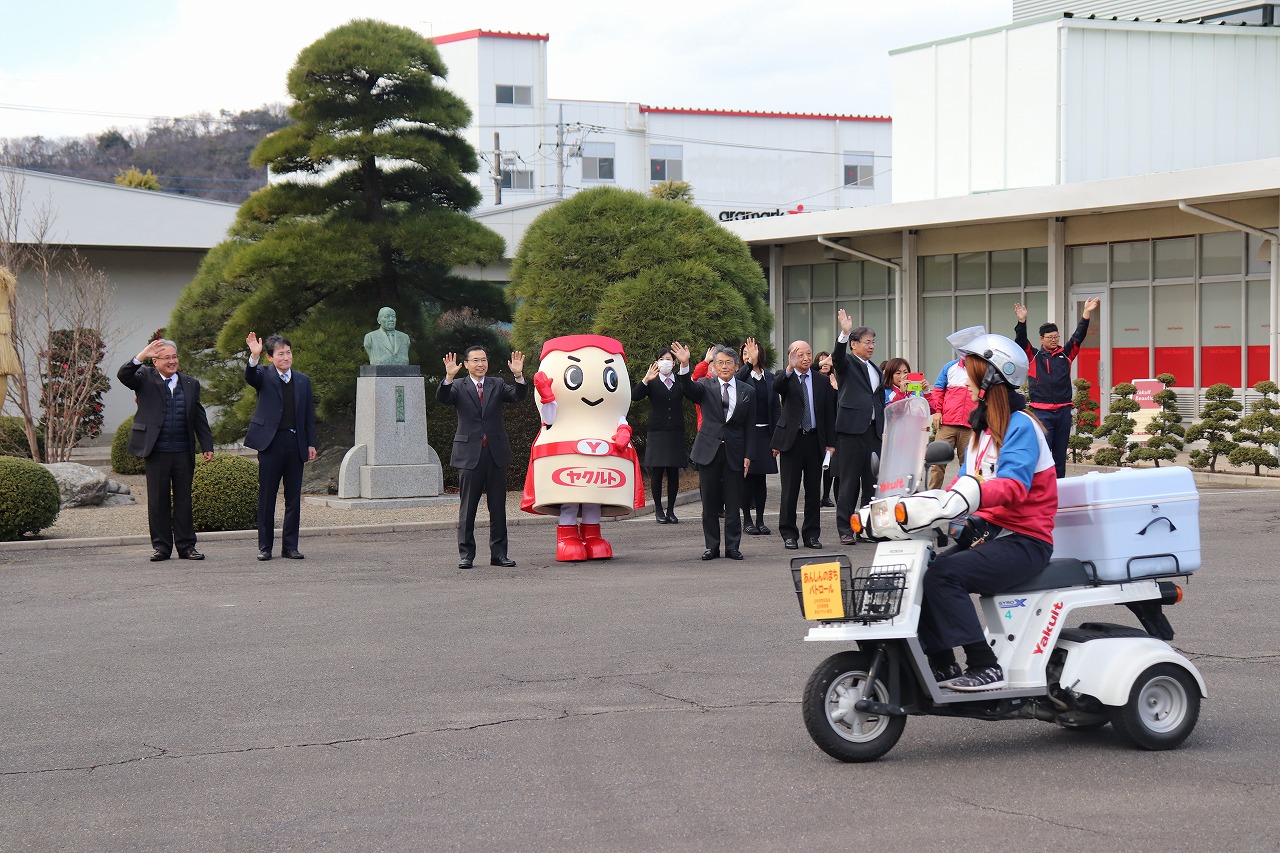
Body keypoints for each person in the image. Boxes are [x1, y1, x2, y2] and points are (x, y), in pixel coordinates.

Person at [916, 333, 1058, 691]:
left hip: (1025, 540)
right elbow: (964, 485)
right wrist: (929, 505)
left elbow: (1013, 487)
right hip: (990, 533)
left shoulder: (1021, 426)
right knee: (922, 570)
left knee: (945, 575)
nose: (965, 375)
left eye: (972, 370)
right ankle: (942, 663)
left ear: (992, 378)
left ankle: (984, 665)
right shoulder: (980, 432)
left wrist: (970, 493)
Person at [117, 338, 214, 562]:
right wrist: (142, 354)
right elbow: (124, 375)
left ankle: (187, 546)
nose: (172, 361)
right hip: (156, 451)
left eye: (174, 357)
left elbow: (199, 417)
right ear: (155, 361)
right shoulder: (144, 378)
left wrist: (207, 445)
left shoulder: (190, 383)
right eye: (166, 358)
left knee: (184, 500)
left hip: (182, 450)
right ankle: (161, 547)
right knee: (158, 500)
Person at [437, 345, 527, 569]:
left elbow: (518, 395)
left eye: (484, 360)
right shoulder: (458, 385)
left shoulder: (496, 384)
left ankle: (499, 554)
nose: (481, 364)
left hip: (495, 454)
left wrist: (518, 375)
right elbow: (443, 398)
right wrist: (448, 377)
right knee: (468, 509)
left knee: (498, 508)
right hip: (469, 456)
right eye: (475, 360)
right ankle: (466, 555)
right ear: (466, 364)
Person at [672, 341, 753, 561]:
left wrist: (749, 454)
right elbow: (687, 388)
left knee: (733, 502)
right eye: (720, 363)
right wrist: (685, 364)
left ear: (736, 366)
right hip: (708, 450)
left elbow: (750, 426)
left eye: (728, 362)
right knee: (709, 502)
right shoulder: (705, 387)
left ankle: (733, 547)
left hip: (735, 452)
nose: (724, 366)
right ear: (714, 367)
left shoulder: (748, 391)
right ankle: (712, 546)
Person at [244, 333, 317, 562]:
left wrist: (311, 442)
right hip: (271, 443)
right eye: (280, 354)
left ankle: (290, 547)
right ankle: (265, 547)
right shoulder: (263, 375)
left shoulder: (303, 380)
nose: (286, 357)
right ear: (270, 357)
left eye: (288, 352)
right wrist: (253, 357)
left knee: (293, 498)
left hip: (295, 443)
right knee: (267, 497)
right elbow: (250, 376)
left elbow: (308, 415)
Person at [1014, 297, 1099, 478]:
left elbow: (1078, 336)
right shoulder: (1034, 356)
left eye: (1056, 336)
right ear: (1041, 339)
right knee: (1043, 454)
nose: (1054, 340)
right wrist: (1022, 321)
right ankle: (1042, 487)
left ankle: (1060, 489)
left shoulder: (1066, 354)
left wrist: (1086, 314)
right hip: (1042, 412)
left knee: (1060, 455)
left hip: (1063, 412)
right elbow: (1021, 341)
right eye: (1050, 337)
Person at [772, 339, 836, 550]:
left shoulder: (821, 381)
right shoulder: (786, 378)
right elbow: (776, 386)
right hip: (792, 440)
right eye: (800, 355)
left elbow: (828, 414)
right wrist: (789, 367)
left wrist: (830, 443)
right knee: (789, 490)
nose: (806, 358)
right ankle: (789, 533)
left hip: (814, 440)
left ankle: (811, 534)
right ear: (791, 356)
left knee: (812, 490)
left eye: (808, 354)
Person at [832, 311, 884, 546]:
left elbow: (878, 399)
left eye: (873, 342)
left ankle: (866, 527)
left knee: (871, 484)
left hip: (873, 431)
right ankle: (845, 528)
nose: (871, 346)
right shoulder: (847, 363)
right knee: (849, 482)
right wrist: (844, 333)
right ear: (854, 344)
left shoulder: (875, 368)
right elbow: (838, 358)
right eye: (867, 342)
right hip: (852, 431)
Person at [631, 347, 688, 524]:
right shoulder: (653, 381)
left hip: (675, 432)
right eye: (662, 359)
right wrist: (646, 380)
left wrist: (686, 365)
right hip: (657, 432)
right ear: (657, 362)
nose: (666, 362)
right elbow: (635, 396)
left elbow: (691, 389)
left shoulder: (679, 380)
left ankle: (671, 510)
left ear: (674, 362)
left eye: (669, 359)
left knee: (673, 472)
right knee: (657, 472)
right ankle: (658, 510)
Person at [926, 328, 985, 490]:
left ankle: (965, 497)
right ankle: (931, 495)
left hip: (971, 426)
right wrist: (937, 411)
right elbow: (938, 390)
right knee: (937, 463)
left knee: (969, 465)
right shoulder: (949, 367)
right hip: (947, 424)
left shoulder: (982, 370)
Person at [816, 351, 838, 508]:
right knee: (817, 464)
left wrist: (836, 389)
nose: (825, 364)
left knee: (830, 464)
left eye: (827, 361)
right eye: (821, 361)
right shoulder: (813, 379)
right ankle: (816, 495)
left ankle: (826, 495)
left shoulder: (836, 380)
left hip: (834, 426)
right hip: (818, 426)